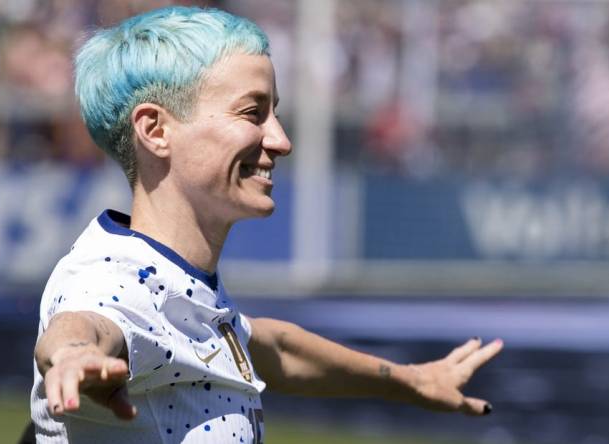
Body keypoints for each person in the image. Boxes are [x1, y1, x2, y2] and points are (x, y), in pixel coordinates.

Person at [30, 6, 503, 443]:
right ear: (155, 130)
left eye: (274, 112)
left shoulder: (173, 280)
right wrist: (72, 355)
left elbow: (275, 347)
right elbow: (85, 323)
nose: (280, 140)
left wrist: (413, 381)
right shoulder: (114, 282)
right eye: (252, 113)